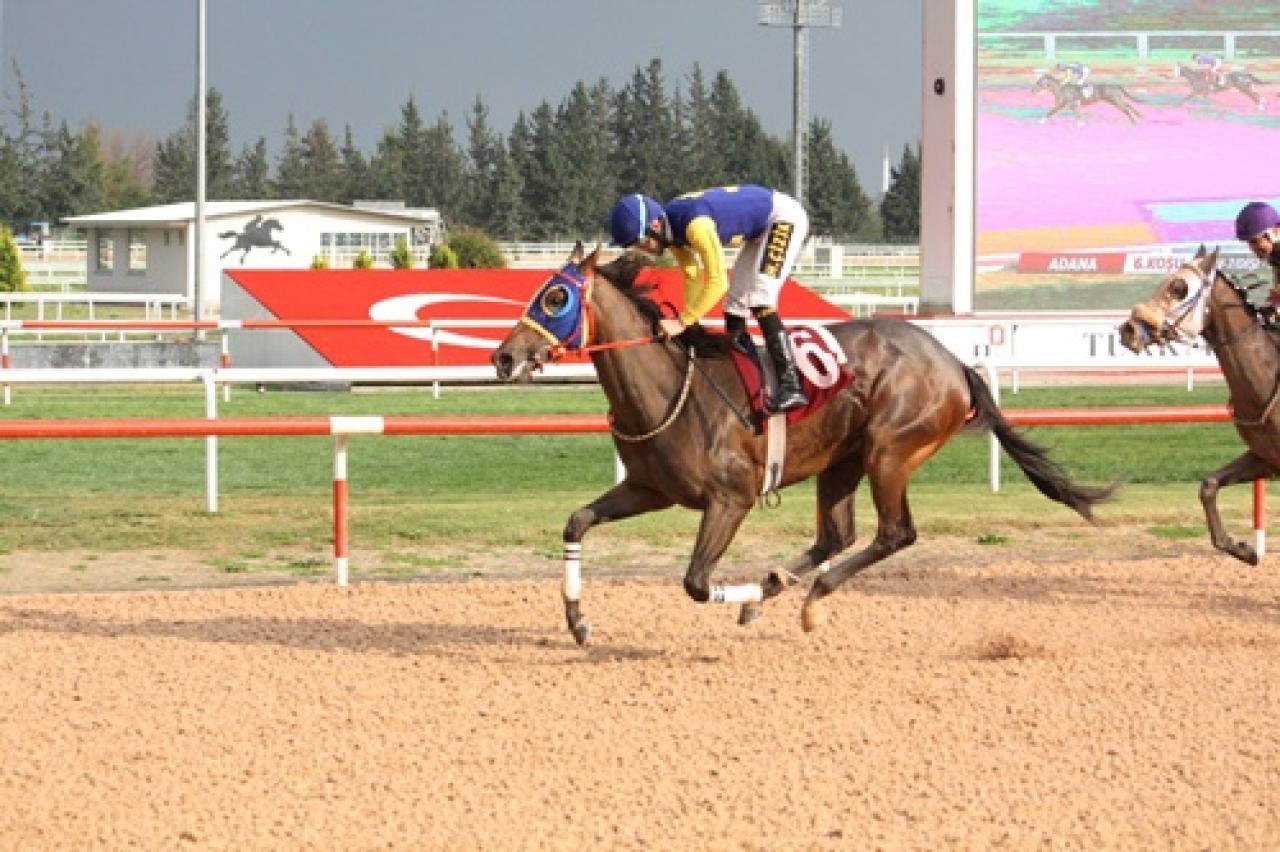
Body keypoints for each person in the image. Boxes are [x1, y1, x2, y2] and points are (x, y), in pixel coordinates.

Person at [607, 185, 810, 413]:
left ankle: (791, 385)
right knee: (735, 305)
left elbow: (717, 282)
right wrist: (689, 324)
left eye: (641, 241)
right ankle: (752, 377)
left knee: (760, 296)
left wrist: (682, 321)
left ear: (654, 225)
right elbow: (692, 276)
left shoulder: (695, 225)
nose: (643, 250)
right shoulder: (671, 231)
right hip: (760, 229)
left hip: (783, 218)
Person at [1234, 201, 1280, 306]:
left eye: (1255, 241)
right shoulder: (1274, 254)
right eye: (1249, 243)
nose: (1252, 248)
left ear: (1274, 233)